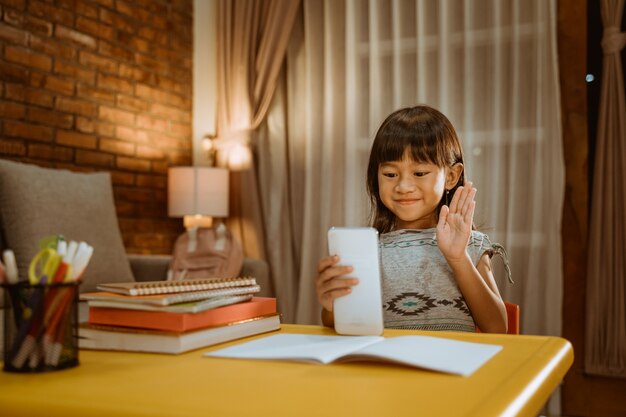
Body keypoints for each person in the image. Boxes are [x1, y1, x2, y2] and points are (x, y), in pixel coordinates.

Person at [315, 105, 511, 333]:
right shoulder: (368, 252)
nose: (403, 186)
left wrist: (458, 259)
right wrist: (331, 303)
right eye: (390, 174)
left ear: (450, 176)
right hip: (388, 365)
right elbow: (333, 323)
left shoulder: (471, 245)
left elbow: (497, 327)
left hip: (451, 366)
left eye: (419, 173)